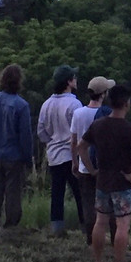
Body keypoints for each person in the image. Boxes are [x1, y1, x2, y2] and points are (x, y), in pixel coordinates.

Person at [76, 84, 131, 262]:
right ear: (126, 104)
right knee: (122, 225)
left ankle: (98, 260)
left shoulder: (98, 125)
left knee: (101, 222)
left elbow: (81, 147)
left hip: (103, 180)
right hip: (123, 183)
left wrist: (91, 169)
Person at [0, 63, 33, 233]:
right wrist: (28, 158)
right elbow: (25, 136)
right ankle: (10, 226)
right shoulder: (21, 105)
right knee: (13, 192)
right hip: (13, 156)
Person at [69, 75, 115, 245]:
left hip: (84, 165)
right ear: (103, 94)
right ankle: (112, 238)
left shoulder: (78, 113)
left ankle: (91, 237)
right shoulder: (107, 114)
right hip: (104, 167)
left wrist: (75, 162)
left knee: (88, 204)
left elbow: (74, 142)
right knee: (108, 205)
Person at [36, 64, 80, 236]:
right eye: (74, 78)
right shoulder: (74, 103)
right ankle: (86, 225)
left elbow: (41, 131)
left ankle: (57, 228)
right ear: (68, 82)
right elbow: (78, 131)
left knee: (57, 192)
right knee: (79, 193)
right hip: (71, 154)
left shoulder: (46, 104)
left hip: (54, 154)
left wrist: (52, 142)